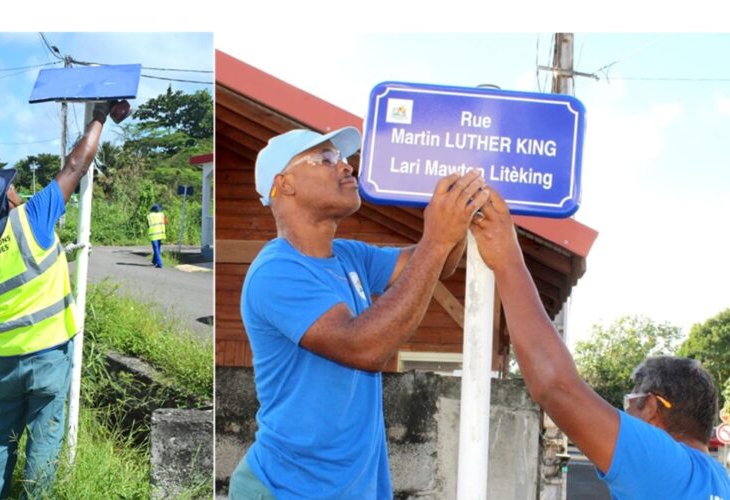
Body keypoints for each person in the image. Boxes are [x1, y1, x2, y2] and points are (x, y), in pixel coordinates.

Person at [229, 127, 490, 498]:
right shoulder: (275, 271)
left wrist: (458, 215)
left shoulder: (349, 255)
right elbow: (364, 348)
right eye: (326, 159)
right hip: (289, 489)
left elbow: (437, 263)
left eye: (345, 158)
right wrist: (436, 237)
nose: (347, 167)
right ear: (284, 185)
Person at [469, 187, 730, 500]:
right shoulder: (718, 479)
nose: (627, 413)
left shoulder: (665, 464)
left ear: (653, 407)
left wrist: (508, 259)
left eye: (631, 402)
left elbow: (555, 387)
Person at [0, 100, 130, 499]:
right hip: (50, 355)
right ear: (6, 203)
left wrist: (9, 206)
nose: (15, 190)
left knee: (1, 437)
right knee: (44, 439)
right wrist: (100, 116)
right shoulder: (33, 219)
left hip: (6, 359)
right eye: (9, 189)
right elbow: (75, 165)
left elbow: (0, 244)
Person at [147, 203, 167, 268]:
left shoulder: (150, 216)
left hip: (153, 234)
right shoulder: (162, 215)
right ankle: (154, 260)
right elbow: (166, 222)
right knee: (158, 248)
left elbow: (148, 225)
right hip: (160, 233)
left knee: (156, 248)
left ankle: (159, 263)